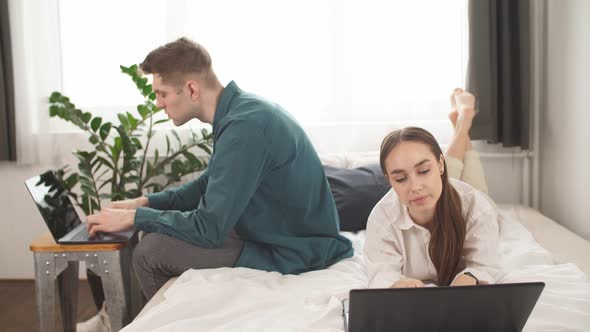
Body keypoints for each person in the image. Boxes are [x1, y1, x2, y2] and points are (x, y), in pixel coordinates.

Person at [78, 37, 353, 331]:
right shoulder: (242, 113)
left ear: (192, 89)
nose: (158, 104)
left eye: (162, 94)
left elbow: (209, 229)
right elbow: (205, 186)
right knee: (152, 232)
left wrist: (134, 217)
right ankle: (125, 317)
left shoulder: (245, 127)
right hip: (270, 233)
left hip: (293, 249)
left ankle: (143, 324)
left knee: (150, 252)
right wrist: (143, 203)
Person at [363, 89, 499, 288]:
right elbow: (380, 273)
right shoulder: (381, 219)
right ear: (389, 181)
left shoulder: (477, 207)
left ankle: (462, 126)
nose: (415, 187)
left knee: (478, 187)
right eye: (400, 179)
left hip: (466, 196)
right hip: (445, 186)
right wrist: (396, 283)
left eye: (424, 170)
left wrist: (471, 276)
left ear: (440, 165)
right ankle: (461, 126)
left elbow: (485, 265)